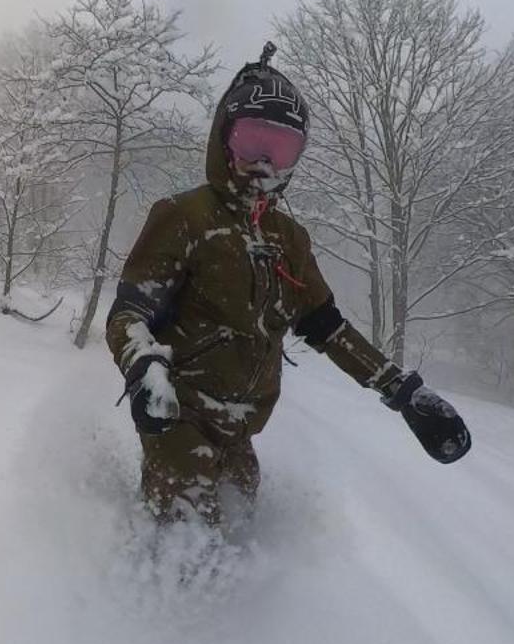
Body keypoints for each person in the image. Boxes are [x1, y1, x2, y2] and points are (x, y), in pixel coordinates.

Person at [104, 44, 471, 525]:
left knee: (240, 540)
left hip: (242, 432)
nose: (263, 162)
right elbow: (129, 314)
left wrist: (404, 393)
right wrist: (144, 368)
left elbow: (328, 328)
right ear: (223, 139)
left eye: (280, 149)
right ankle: (142, 594)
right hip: (179, 420)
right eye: (251, 141)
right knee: (187, 543)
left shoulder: (288, 239)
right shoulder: (185, 218)